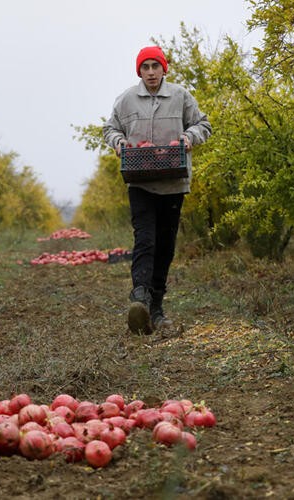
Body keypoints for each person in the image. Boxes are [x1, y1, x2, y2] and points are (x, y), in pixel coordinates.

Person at [103, 45, 212, 334]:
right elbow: (110, 129)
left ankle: (157, 309)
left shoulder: (180, 96)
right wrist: (119, 143)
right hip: (139, 180)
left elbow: (203, 124)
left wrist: (189, 137)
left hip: (173, 181)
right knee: (145, 239)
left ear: (164, 68)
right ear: (139, 71)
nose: (151, 72)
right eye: (145, 67)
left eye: (155, 66)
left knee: (165, 246)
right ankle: (140, 297)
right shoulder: (126, 100)